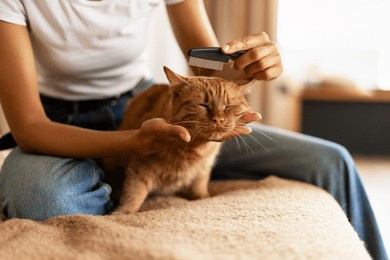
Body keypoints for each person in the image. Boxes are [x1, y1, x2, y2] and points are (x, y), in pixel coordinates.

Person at [0, 1, 387, 259]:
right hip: (58, 120)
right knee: (48, 202)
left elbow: (210, 69)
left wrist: (252, 64)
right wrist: (135, 143)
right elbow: (30, 127)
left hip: (152, 105)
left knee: (332, 159)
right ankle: (113, 169)